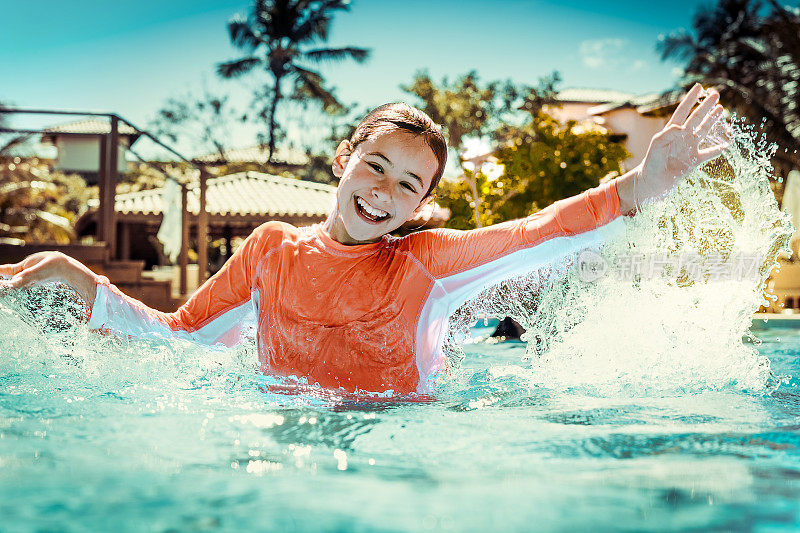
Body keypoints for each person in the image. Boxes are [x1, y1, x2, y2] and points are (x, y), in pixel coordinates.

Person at [0, 84, 727, 395]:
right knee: (46, 274)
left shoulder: (426, 264)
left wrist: (641, 185)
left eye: (407, 185)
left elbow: (537, 232)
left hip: (397, 453)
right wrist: (86, 290)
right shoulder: (269, 250)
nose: (383, 191)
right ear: (343, 158)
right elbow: (182, 338)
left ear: (421, 205)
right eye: (374, 165)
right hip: (285, 438)